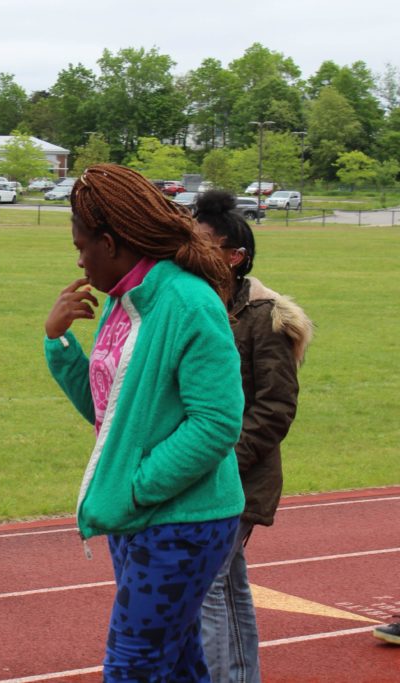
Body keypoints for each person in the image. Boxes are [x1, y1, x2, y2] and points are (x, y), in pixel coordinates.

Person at [43, 164, 244, 681]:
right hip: (141, 518)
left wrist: (136, 487)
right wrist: (59, 341)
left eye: (81, 246)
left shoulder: (188, 301)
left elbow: (217, 423)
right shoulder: (123, 300)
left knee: (133, 666)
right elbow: (113, 416)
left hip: (184, 521)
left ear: (110, 243)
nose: (79, 260)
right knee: (176, 664)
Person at [196, 191, 313, 682]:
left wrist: (220, 461)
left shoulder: (266, 318)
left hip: (238, 479)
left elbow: (276, 407)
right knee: (226, 585)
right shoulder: (201, 305)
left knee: (205, 588)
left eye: (201, 244)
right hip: (208, 474)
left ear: (234, 256)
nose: (187, 252)